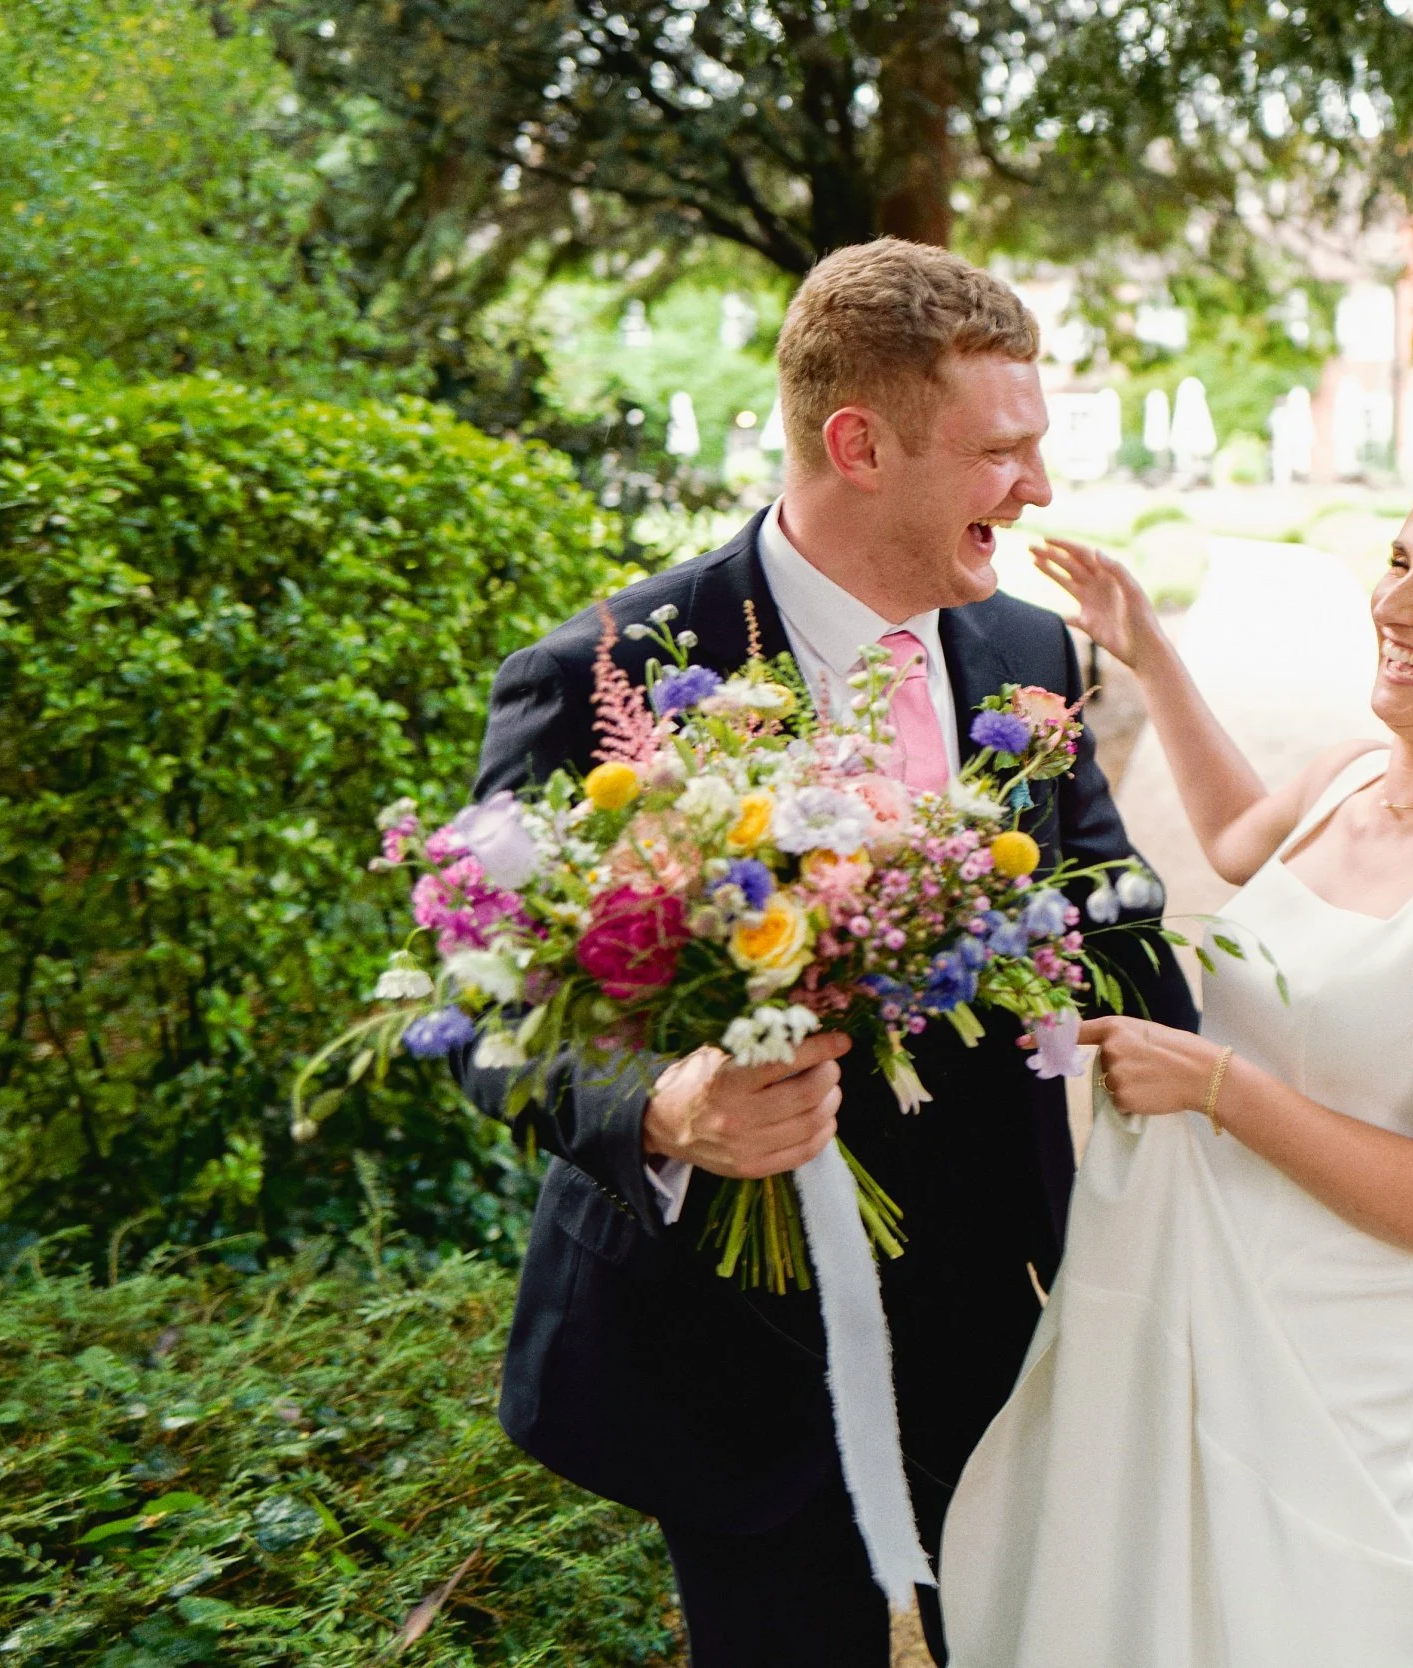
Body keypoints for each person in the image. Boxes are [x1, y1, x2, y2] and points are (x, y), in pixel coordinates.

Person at [455, 239, 1195, 1667]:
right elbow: (490, 1010)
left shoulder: (1035, 652)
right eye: (999, 452)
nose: (1035, 488)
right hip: (736, 1354)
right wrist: (665, 1105)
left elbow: (1115, 910)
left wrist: (1256, 1069)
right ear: (858, 445)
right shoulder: (608, 671)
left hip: (1002, 1317)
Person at [940, 458, 1413, 1664]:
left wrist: (1217, 1086)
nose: (1395, 605)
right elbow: (1231, 834)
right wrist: (1149, 649)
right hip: (1180, 1285)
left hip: (1336, 1357)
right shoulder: (1347, 775)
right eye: (1401, 562)